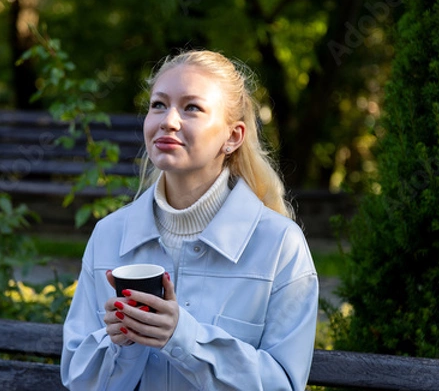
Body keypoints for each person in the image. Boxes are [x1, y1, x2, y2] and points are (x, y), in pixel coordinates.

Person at [61, 49, 319, 390]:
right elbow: (79, 381)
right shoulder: (109, 235)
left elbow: (283, 384)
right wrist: (121, 344)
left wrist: (183, 338)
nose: (168, 120)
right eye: (158, 105)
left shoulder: (280, 245)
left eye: (191, 107)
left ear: (233, 137)